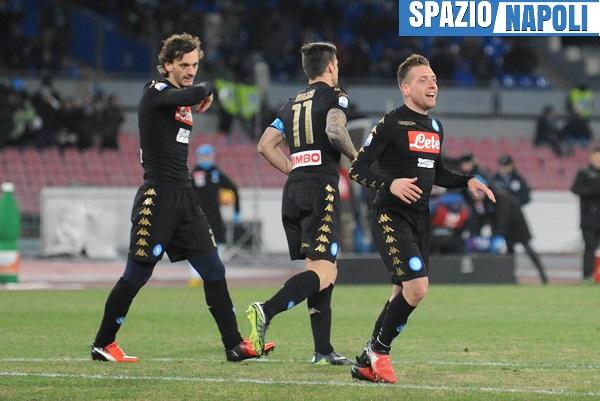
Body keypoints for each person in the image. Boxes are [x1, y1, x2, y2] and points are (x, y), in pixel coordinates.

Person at [91, 33, 273, 363]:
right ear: (167, 66)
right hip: (158, 197)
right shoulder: (155, 91)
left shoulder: (180, 98)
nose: (190, 70)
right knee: (137, 274)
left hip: (185, 198)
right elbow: (194, 92)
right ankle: (103, 343)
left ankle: (234, 345)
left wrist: (202, 92)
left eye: (194, 64)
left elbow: (192, 94)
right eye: (184, 65)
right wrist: (206, 89)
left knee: (214, 270)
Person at [346, 54, 494, 383]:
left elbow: (437, 172)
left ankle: (365, 362)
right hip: (390, 214)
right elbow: (357, 169)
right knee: (417, 288)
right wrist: (391, 184)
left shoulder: (436, 127)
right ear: (405, 88)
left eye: (435, 79)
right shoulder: (390, 124)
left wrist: (467, 181)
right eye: (423, 80)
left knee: (400, 293)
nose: (432, 84)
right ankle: (379, 351)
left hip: (419, 219)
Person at [245, 42, 358, 365]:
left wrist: (293, 170)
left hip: (294, 189)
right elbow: (335, 129)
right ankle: (266, 310)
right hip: (321, 188)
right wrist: (356, 158)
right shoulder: (336, 96)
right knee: (324, 270)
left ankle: (322, 350)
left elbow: (265, 145)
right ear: (331, 66)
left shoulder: (290, 104)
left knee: (322, 270)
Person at [188, 143, 241, 287]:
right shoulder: (194, 173)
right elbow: (187, 195)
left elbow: (234, 189)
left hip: (215, 216)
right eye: (203, 156)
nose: (206, 158)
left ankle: (215, 275)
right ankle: (195, 277)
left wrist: (237, 211)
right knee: (196, 246)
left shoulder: (216, 173)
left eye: (208, 155)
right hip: (197, 216)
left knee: (219, 244)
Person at [571, 146, 600, 280]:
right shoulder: (584, 173)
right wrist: (592, 191)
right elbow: (575, 189)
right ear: (591, 157)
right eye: (596, 156)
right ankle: (587, 275)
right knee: (590, 246)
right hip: (589, 217)